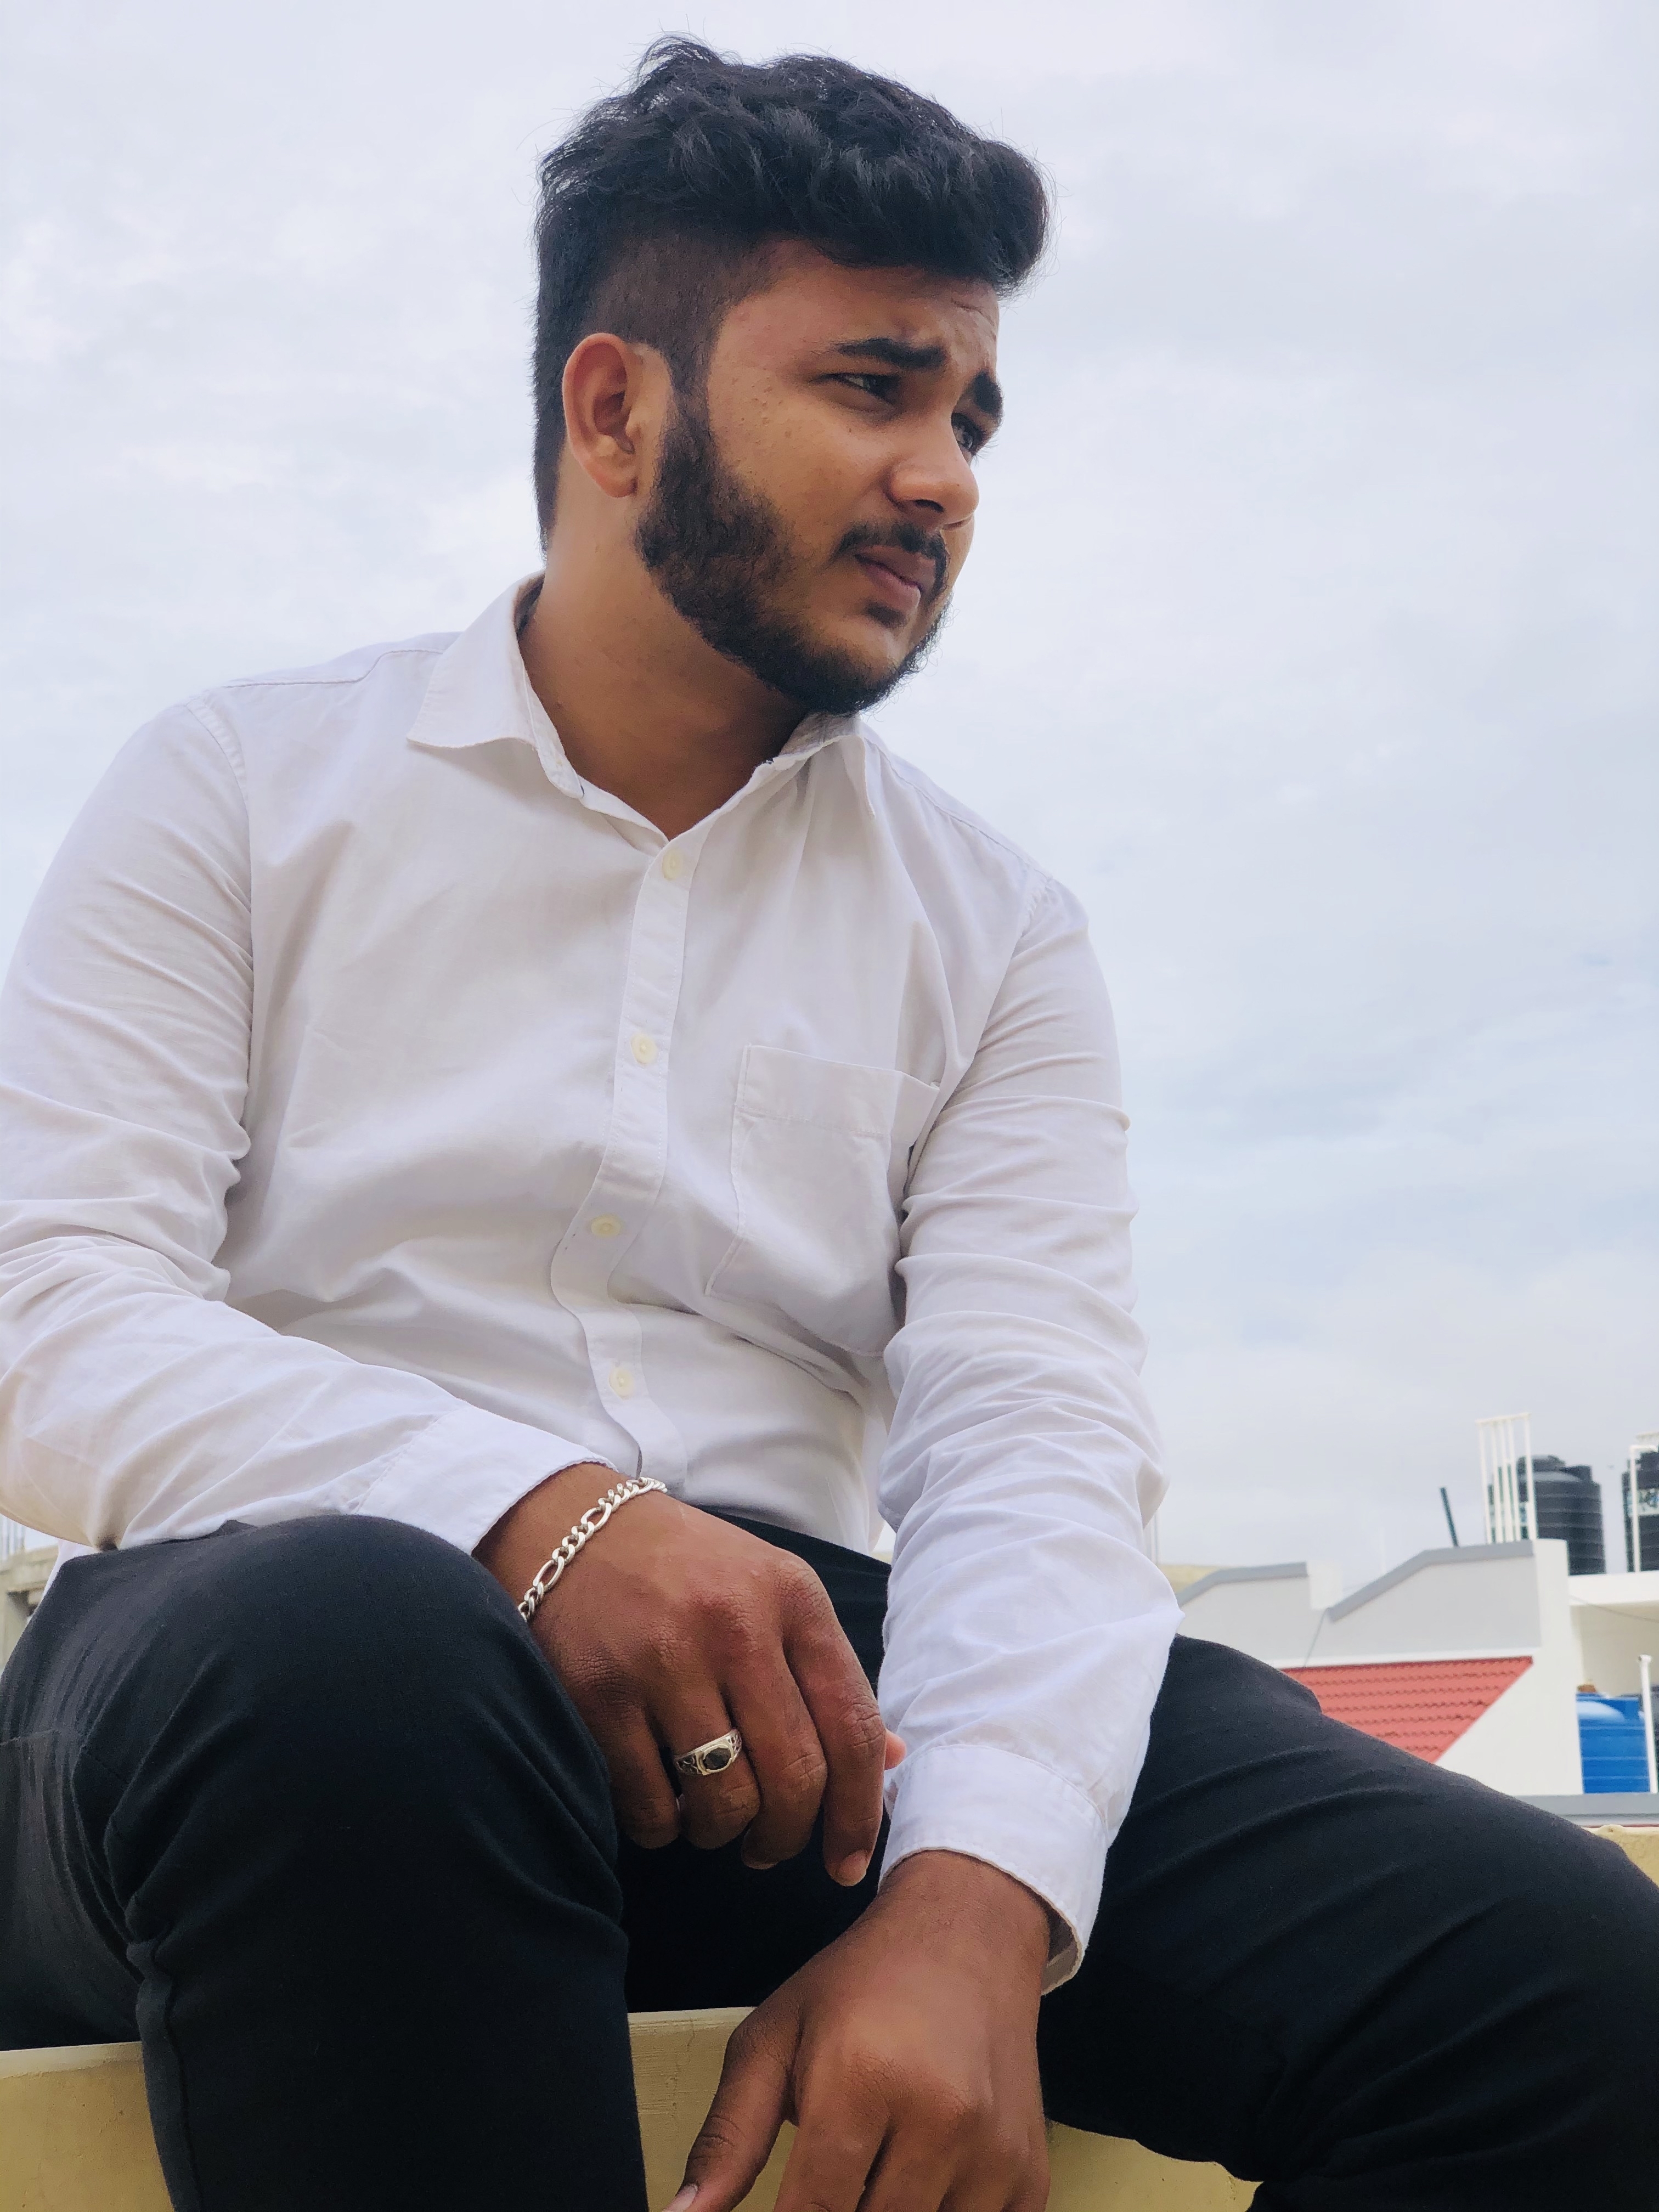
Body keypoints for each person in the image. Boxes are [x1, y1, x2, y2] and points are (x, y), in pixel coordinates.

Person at [0, 39, 1654, 2212]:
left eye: (973, 416)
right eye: (875, 386)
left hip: (810, 1729)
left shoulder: (995, 930)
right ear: (616, 411)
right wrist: (532, 1514)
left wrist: (975, 1903)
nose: (944, 475)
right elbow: (46, 1307)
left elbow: (1033, 1437)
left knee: (1568, 1986)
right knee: (357, 1664)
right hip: (260, 1700)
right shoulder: (236, 788)